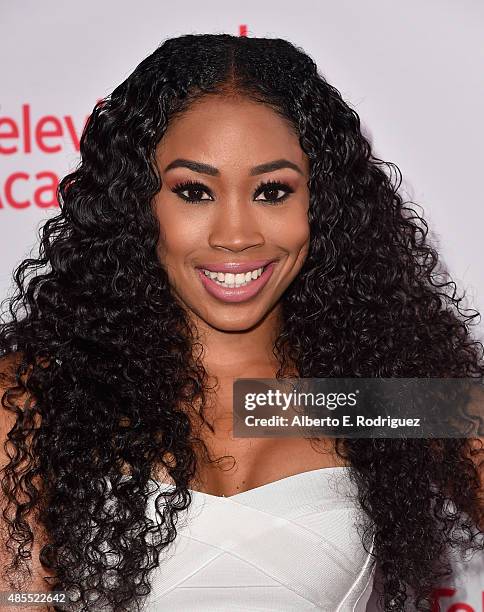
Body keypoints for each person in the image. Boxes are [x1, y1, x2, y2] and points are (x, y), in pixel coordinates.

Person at [0, 32, 482, 612]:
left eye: (272, 191)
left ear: (320, 204)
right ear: (137, 202)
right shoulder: (35, 399)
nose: (235, 235)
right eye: (195, 191)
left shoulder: (364, 393)